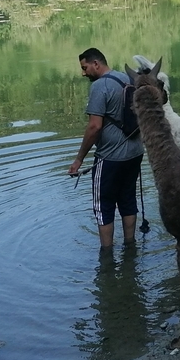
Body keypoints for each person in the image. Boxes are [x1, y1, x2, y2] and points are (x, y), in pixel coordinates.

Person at [69, 48, 145, 249]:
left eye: (85, 68)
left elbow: (94, 127)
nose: (83, 73)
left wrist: (79, 159)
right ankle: (130, 245)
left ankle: (106, 255)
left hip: (110, 158)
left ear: (96, 64)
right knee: (128, 199)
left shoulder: (100, 86)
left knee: (103, 206)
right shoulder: (126, 79)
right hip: (135, 153)